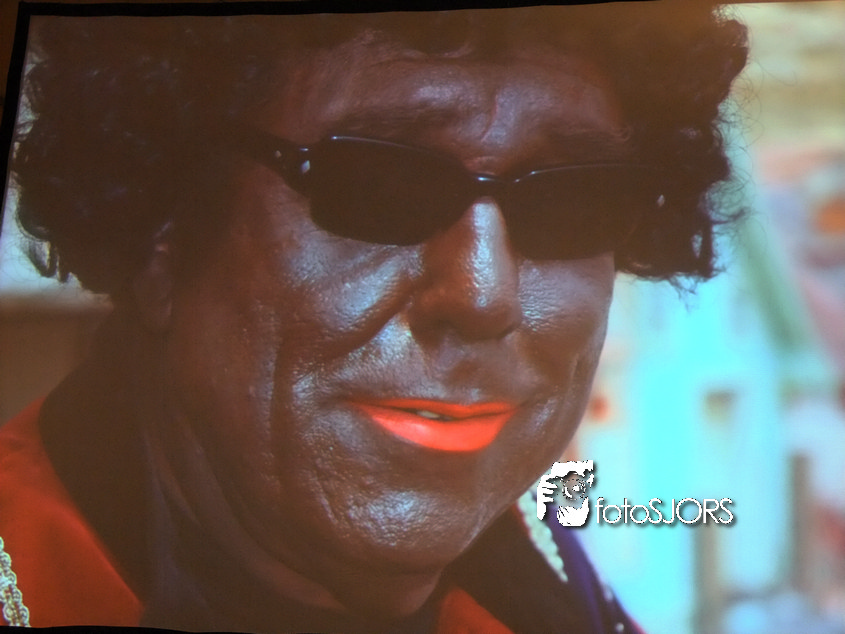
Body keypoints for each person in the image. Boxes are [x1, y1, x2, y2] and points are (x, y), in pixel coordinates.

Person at [0, 4, 748, 632]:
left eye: (568, 201)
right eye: (381, 187)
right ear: (162, 238)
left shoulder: (550, 578)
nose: (483, 297)